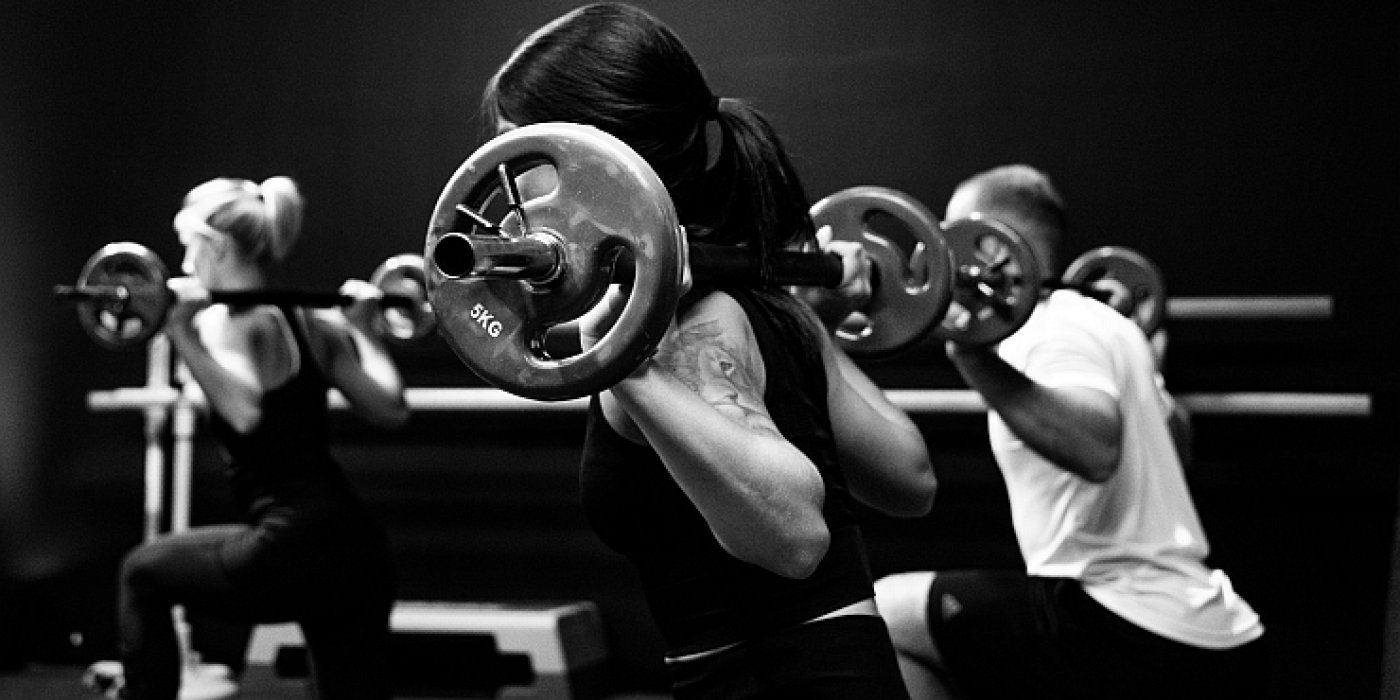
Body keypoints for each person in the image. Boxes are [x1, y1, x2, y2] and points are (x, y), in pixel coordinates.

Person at [482, 4, 937, 698]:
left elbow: (797, 539)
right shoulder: (773, 303)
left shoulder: (681, 331)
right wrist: (813, 331)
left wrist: (624, 364)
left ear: (598, 156)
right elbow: (908, 481)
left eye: (522, 156)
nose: (506, 190)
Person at [873, 164, 1265, 699]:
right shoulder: (1106, 325)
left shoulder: (1047, 329)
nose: (944, 256)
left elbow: (1096, 449)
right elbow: (1178, 449)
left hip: (1125, 620)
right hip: (1207, 628)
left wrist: (970, 355)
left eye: (954, 233)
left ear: (990, 244)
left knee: (884, 616)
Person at [95, 176, 408, 699]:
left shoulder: (226, 323)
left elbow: (244, 413)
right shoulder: (316, 321)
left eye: (190, 247)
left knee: (141, 573)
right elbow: (392, 409)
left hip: (289, 544)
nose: (185, 263)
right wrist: (364, 329)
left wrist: (181, 332)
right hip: (356, 550)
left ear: (216, 247)